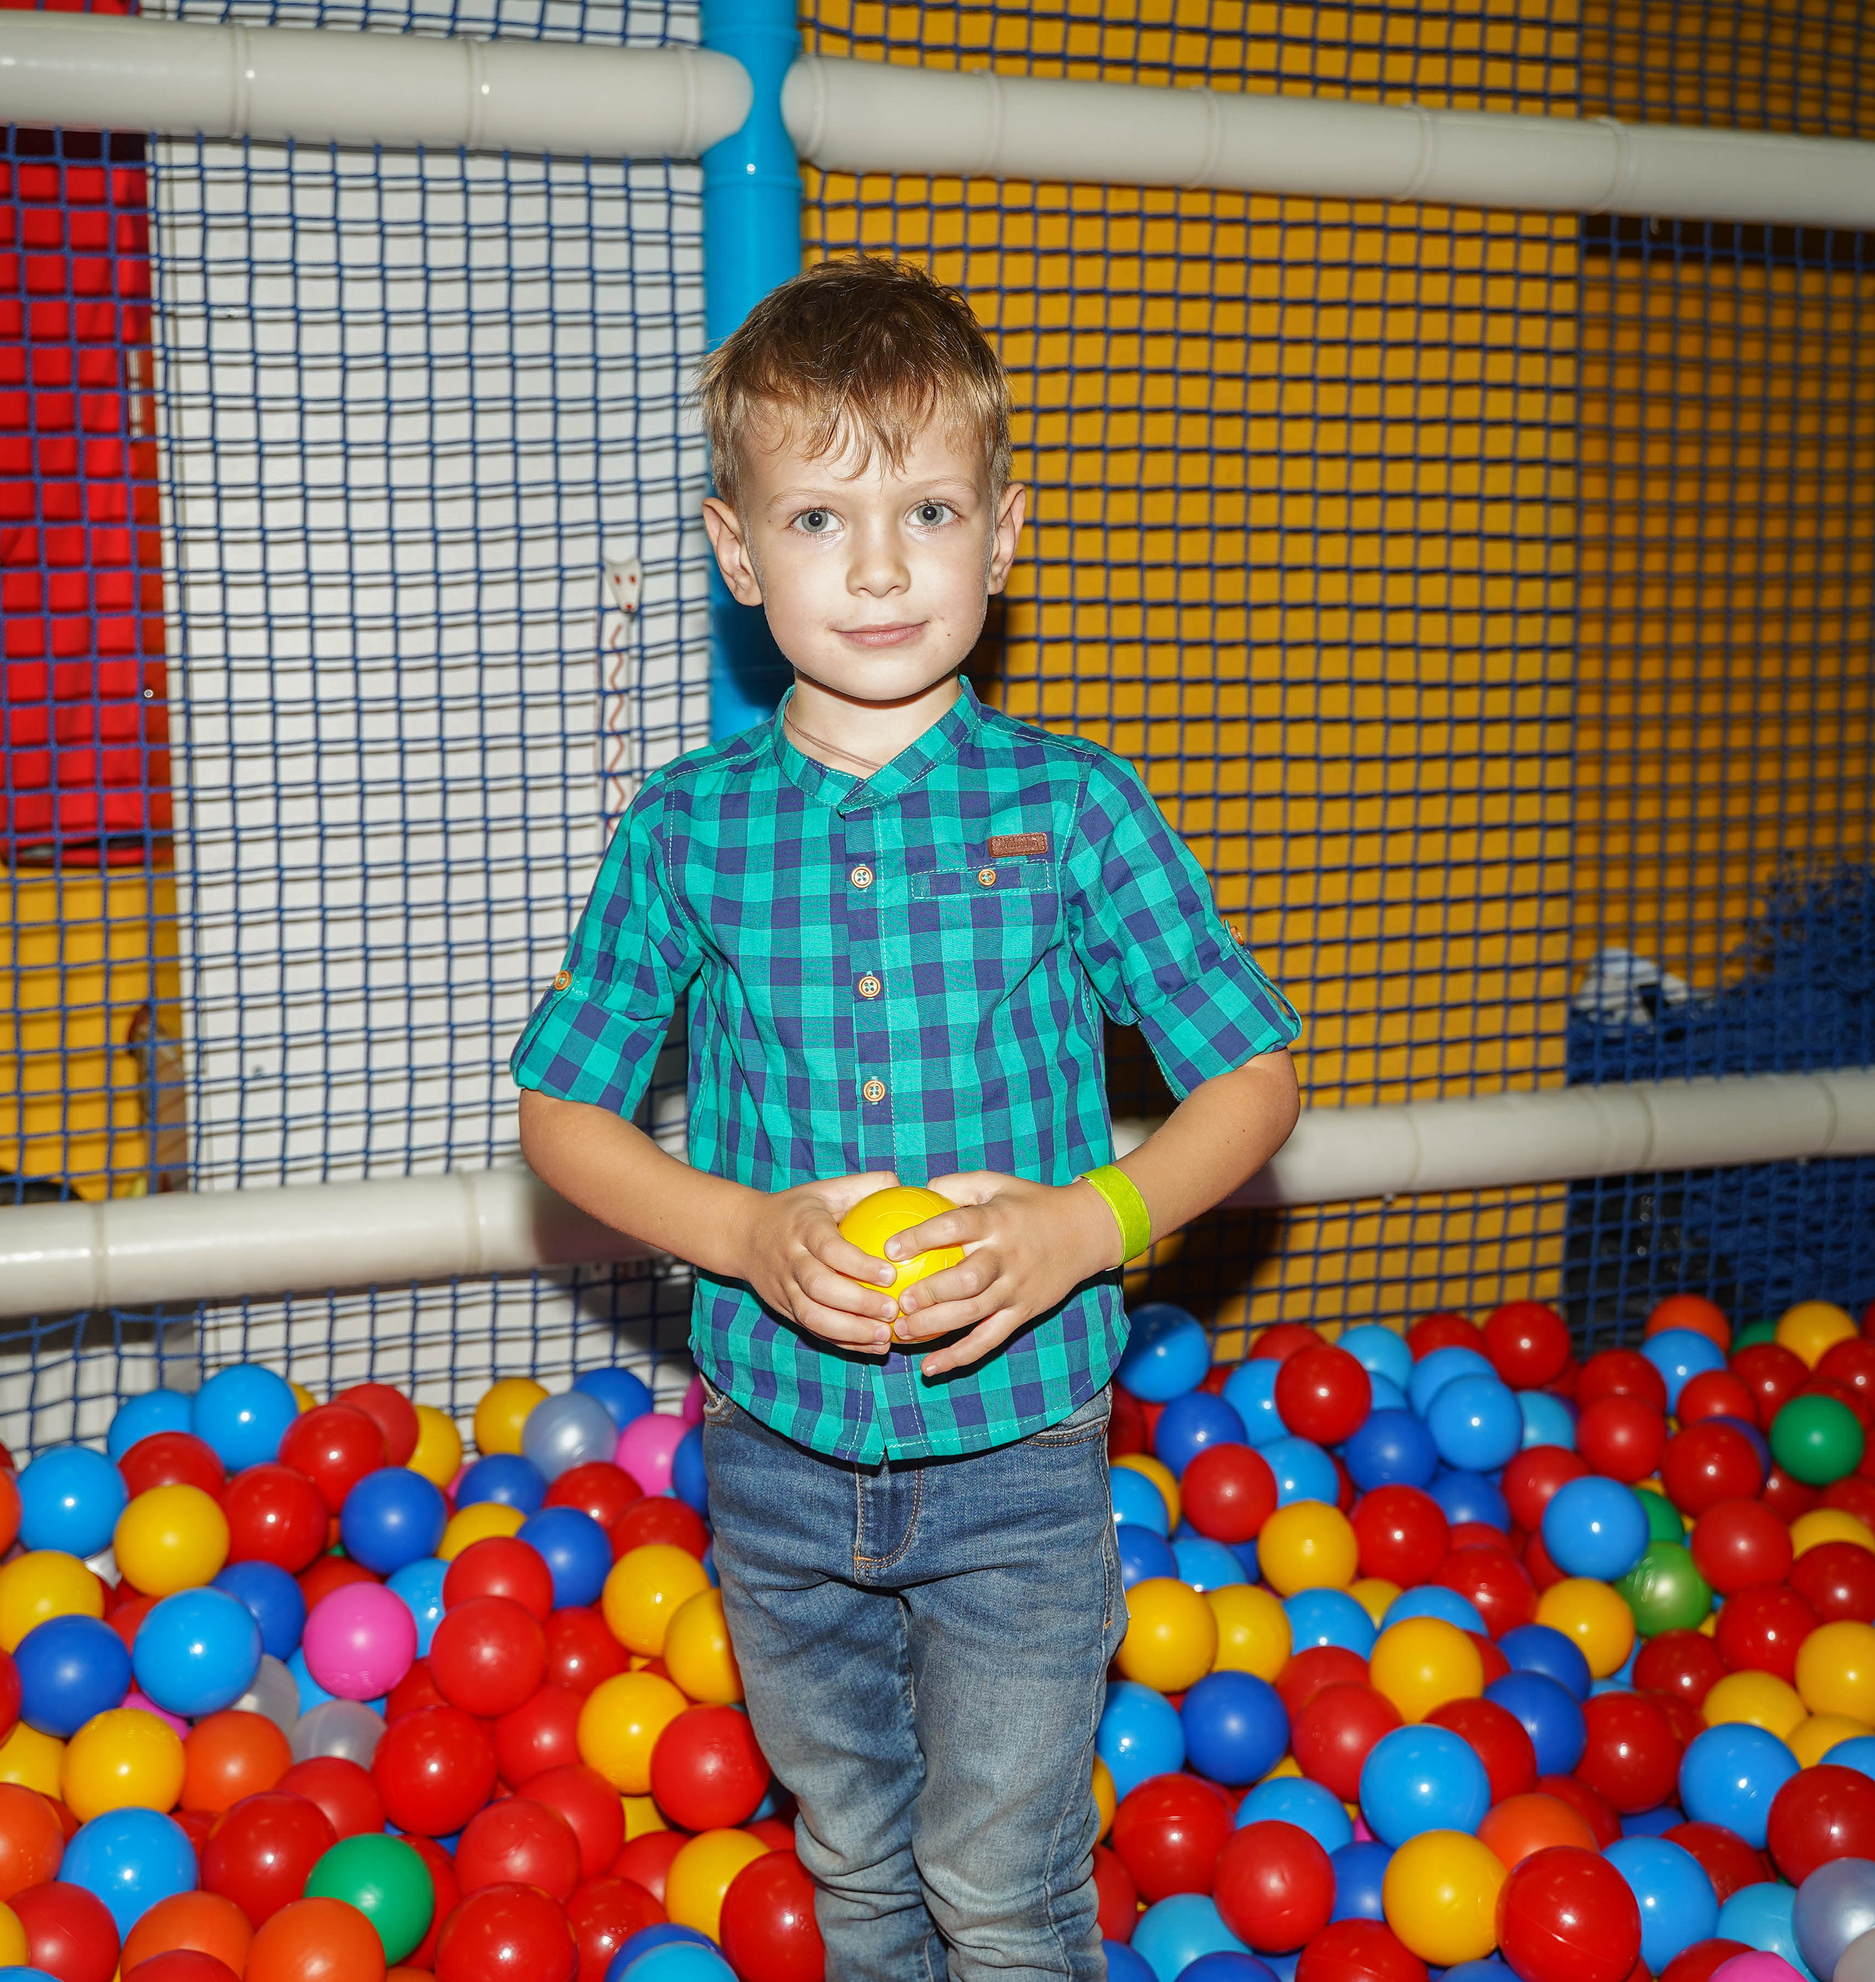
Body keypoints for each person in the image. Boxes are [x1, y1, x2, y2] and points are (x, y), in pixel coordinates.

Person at [512, 256, 1303, 1980]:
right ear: (737, 555)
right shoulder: (685, 829)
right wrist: (743, 1233)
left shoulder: (1077, 809)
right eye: (817, 517)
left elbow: (1254, 1073)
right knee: (860, 1858)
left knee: (998, 1872)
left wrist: (1086, 1220)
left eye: (928, 506)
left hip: (1020, 1452)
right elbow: (561, 1109)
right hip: (777, 1452)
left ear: (1003, 536)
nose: (878, 565)